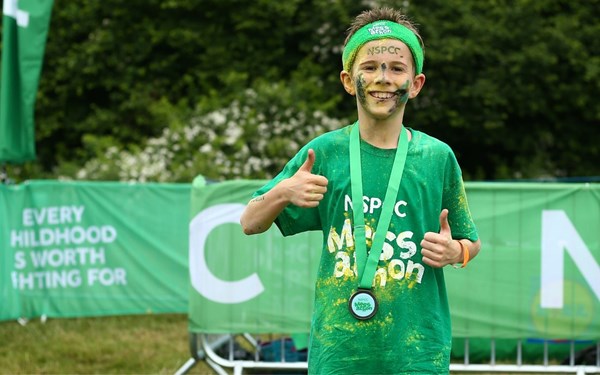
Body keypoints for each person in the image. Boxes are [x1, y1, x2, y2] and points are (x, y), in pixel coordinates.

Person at [240, 7, 481, 374]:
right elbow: (249, 222)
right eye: (369, 66)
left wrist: (455, 252)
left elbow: (470, 242)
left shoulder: (437, 157)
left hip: (417, 353)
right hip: (339, 352)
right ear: (349, 80)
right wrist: (283, 192)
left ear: (415, 84)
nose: (383, 78)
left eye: (396, 68)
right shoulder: (324, 153)